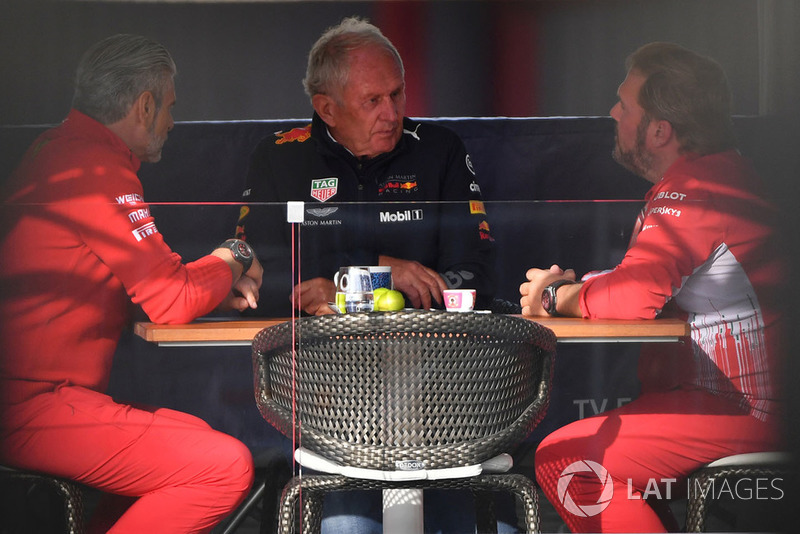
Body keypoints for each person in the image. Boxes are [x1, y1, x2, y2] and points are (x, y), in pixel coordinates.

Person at [0, 34, 263, 533]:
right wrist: (237, 254)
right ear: (144, 106)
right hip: (31, 406)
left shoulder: (60, 150)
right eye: (169, 107)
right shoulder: (95, 168)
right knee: (223, 466)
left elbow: (151, 286)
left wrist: (210, 281)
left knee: (193, 435)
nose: (172, 121)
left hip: (42, 399)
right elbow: (172, 298)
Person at [520, 42, 786, 532]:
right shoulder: (720, 176)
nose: (612, 113)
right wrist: (578, 289)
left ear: (660, 130)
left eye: (624, 104)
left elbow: (632, 298)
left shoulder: (700, 189)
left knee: (569, 461)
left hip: (749, 407)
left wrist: (555, 297)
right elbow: (644, 282)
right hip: (734, 400)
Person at [235, 16, 494, 317]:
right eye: (372, 100)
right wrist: (376, 272)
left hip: (423, 351)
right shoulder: (277, 157)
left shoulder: (440, 150)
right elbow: (250, 280)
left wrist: (351, 289)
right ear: (327, 109)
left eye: (396, 94)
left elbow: (477, 277)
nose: (392, 114)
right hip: (310, 355)